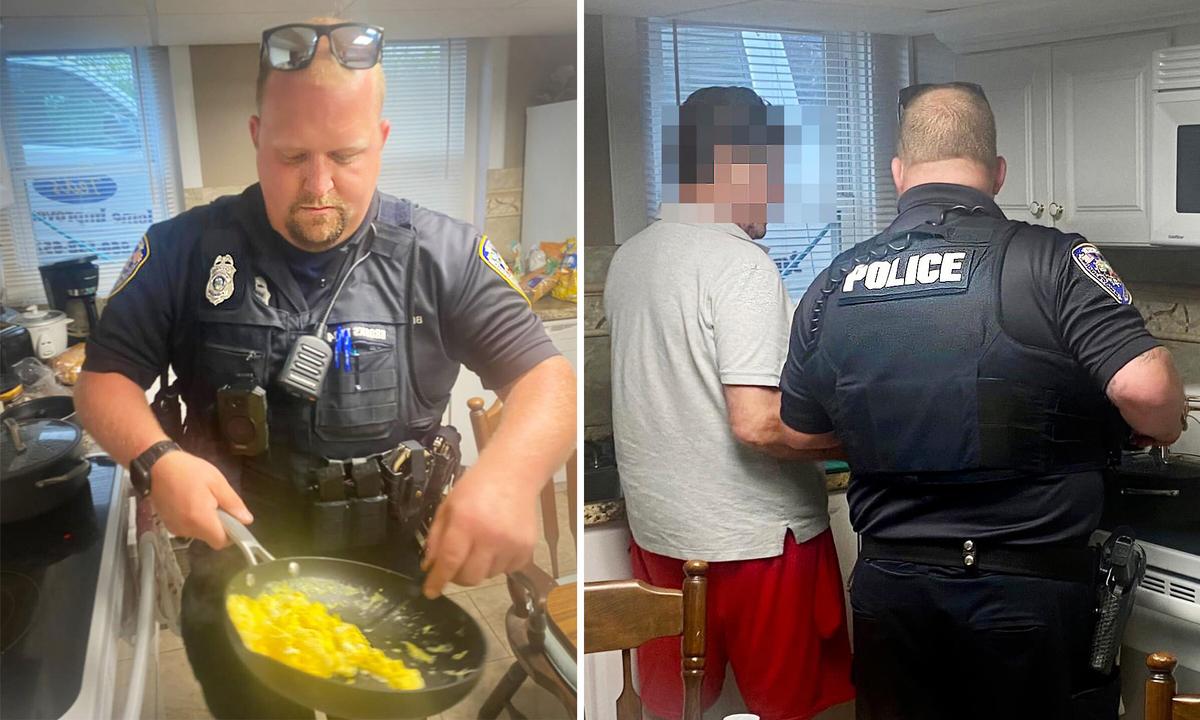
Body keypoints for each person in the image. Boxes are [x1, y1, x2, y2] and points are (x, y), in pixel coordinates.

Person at [74, 18, 575, 719]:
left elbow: (547, 379)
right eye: (290, 156)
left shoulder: (445, 254)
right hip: (235, 568)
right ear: (255, 137)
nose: (318, 185)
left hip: (390, 580)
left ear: (383, 141)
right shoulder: (183, 250)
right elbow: (102, 379)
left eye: (345, 154)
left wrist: (514, 475)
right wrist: (157, 458)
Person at [779, 82, 1186, 720]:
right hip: (1023, 593)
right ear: (997, 174)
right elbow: (1148, 389)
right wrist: (1164, 424)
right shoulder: (1053, 259)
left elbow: (800, 431)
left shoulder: (833, 282)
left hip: (891, 591)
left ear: (898, 173)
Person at [605, 86, 855, 720]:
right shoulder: (741, 266)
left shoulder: (630, 257)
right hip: (758, 542)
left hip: (662, 539)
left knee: (678, 710)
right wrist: (854, 443)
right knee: (787, 711)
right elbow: (757, 423)